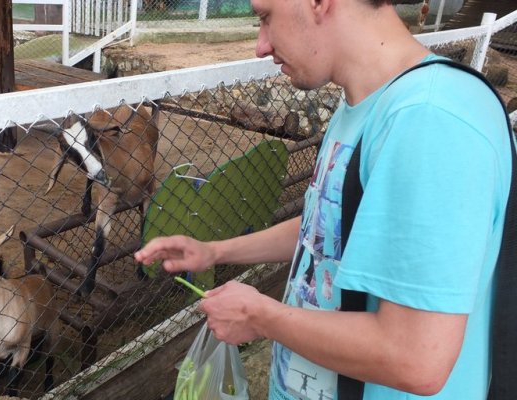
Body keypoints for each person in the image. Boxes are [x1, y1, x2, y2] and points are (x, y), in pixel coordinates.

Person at [135, 0, 512, 399]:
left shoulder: (429, 120)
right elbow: (329, 226)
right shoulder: (364, 104)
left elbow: (415, 359)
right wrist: (214, 251)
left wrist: (261, 317)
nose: (260, 46)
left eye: (266, 17)